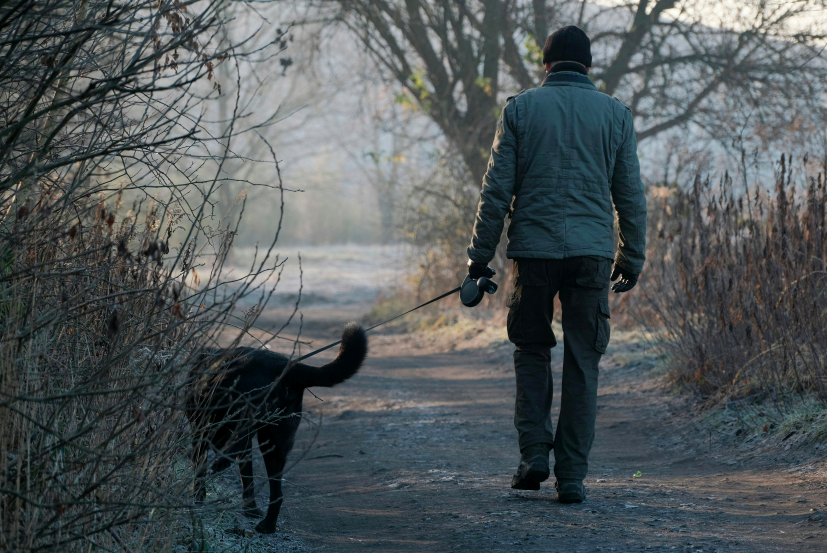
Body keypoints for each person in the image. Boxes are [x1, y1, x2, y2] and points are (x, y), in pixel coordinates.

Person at [466, 25, 647, 503]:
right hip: (592, 255)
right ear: (589, 65)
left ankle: (533, 456)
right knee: (583, 362)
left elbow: (495, 192)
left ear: (545, 64)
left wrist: (478, 261)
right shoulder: (615, 115)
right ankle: (571, 477)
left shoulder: (521, 110)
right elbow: (629, 194)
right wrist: (632, 254)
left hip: (533, 253)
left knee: (531, 351)